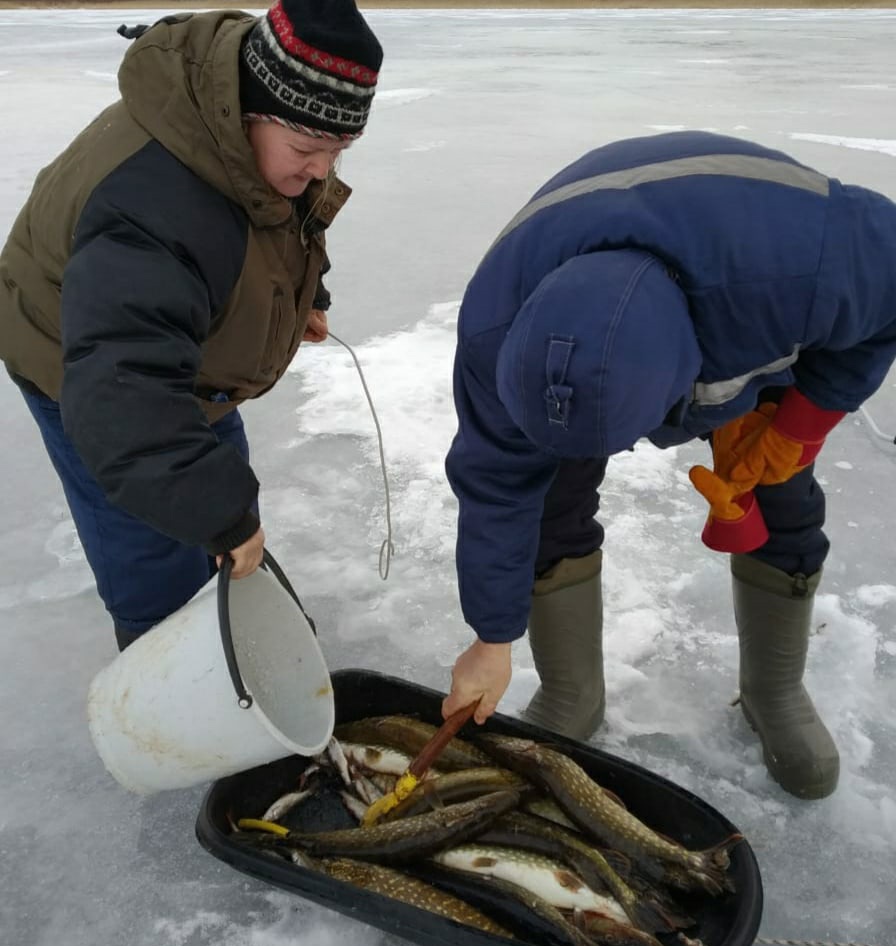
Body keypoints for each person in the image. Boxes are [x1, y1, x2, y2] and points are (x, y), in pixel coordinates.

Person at [442, 130, 896, 800]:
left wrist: (801, 424)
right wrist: (491, 638)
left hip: (748, 285)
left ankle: (774, 688)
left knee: (780, 494)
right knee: (547, 502)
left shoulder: (809, 269)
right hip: (581, 299)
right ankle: (575, 692)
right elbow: (496, 488)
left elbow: (887, 307)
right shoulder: (494, 335)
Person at [0, 0, 383, 650]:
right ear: (257, 112)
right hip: (79, 367)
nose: (322, 168)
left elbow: (287, 223)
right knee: (154, 544)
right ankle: (172, 691)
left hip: (172, 359)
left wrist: (305, 296)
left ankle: (233, 622)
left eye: (338, 151)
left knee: (214, 499)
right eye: (308, 148)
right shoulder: (154, 205)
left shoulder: (247, 139)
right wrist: (222, 515)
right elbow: (125, 409)